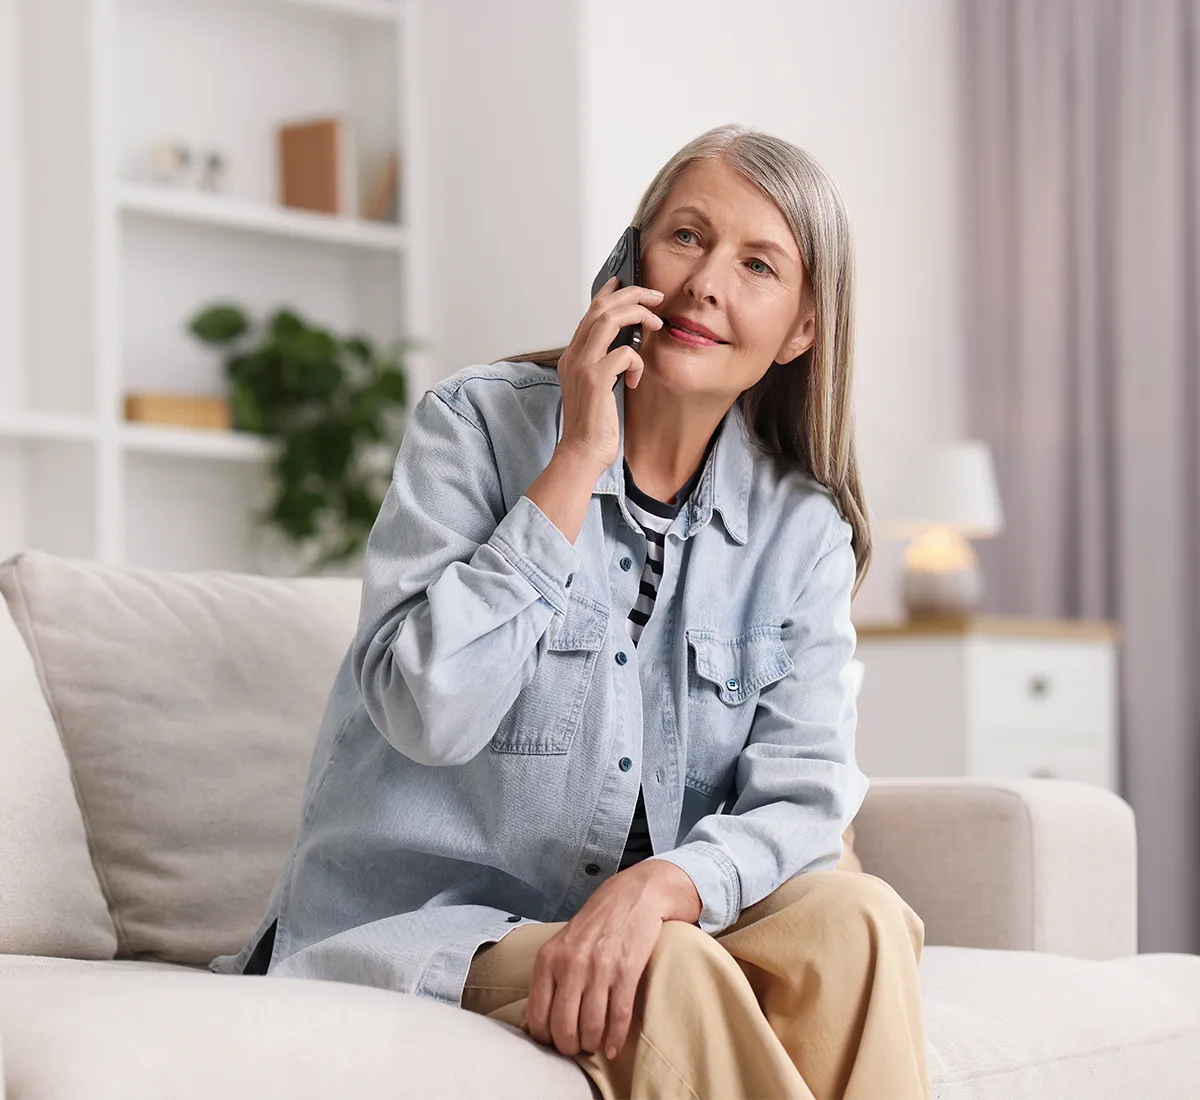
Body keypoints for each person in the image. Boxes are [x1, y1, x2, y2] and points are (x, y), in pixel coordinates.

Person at [212, 123, 932, 1100]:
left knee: (862, 919)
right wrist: (578, 458)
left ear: (803, 329)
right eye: (686, 237)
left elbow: (804, 799)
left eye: (757, 264)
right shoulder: (472, 427)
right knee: (669, 968)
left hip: (645, 919)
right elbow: (428, 710)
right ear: (632, 258)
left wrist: (660, 886)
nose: (705, 283)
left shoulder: (801, 528)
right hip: (431, 923)